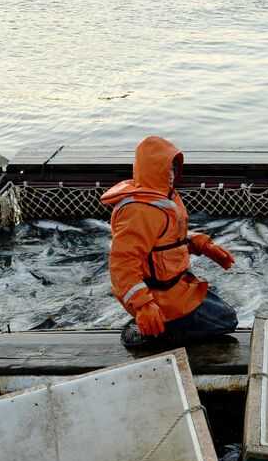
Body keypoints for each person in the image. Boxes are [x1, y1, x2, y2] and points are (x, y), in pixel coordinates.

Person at [102, 136, 239, 348]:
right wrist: (143, 305)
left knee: (226, 316)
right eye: (166, 170)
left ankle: (162, 324)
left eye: (173, 169)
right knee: (226, 322)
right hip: (157, 294)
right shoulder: (138, 211)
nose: (171, 176)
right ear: (150, 170)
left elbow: (167, 239)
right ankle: (153, 333)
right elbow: (122, 264)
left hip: (178, 285)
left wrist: (200, 243)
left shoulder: (165, 198)